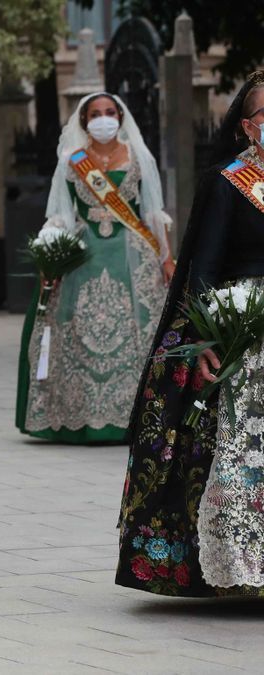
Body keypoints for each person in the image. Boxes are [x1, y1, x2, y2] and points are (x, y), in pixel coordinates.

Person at [117, 72, 264, 596]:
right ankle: (240, 564)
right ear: (249, 127)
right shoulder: (229, 182)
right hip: (246, 334)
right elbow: (203, 267)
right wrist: (202, 340)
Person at [15, 92, 172, 444]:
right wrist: (50, 254)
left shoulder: (138, 156)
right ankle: (82, 416)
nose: (104, 119)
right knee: (81, 330)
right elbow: (60, 215)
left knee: (138, 333)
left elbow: (152, 213)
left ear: (120, 116)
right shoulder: (73, 161)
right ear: (84, 122)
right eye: (96, 114)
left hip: (134, 254)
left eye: (110, 112)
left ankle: (135, 417)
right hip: (84, 258)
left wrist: (167, 259)